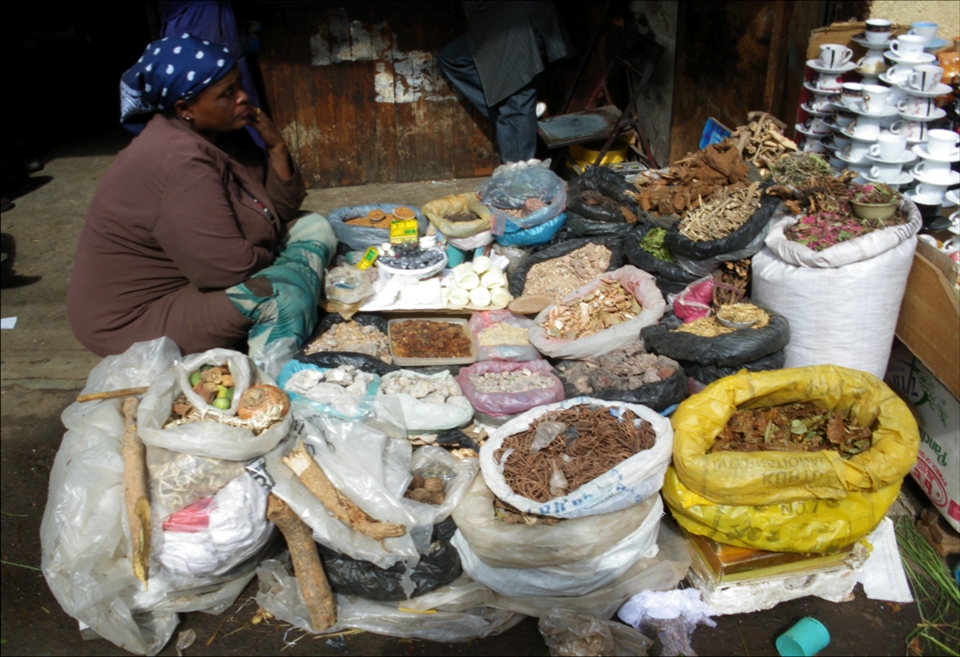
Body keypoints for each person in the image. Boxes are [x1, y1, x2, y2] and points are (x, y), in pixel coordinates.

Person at [67, 34, 336, 357]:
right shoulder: (177, 160)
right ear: (185, 108)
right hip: (138, 320)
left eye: (239, 85)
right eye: (227, 94)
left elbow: (277, 212)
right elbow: (228, 271)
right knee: (279, 291)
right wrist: (280, 259)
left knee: (313, 226)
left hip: (198, 281)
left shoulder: (220, 135)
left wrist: (276, 147)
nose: (243, 98)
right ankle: (271, 381)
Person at [438, 1, 573, 163]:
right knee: (453, 58)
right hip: (493, 23)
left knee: (516, 102)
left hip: (514, 21)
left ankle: (518, 181)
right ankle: (524, 115)